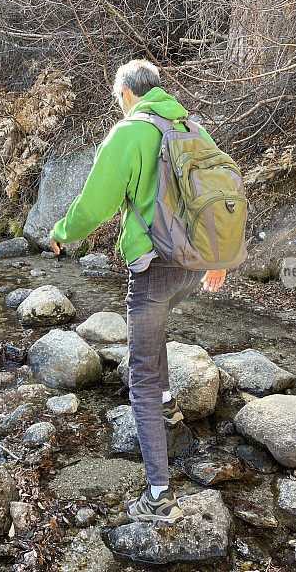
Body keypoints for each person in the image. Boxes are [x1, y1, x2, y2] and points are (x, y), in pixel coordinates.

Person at [50, 59, 226, 525]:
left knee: (142, 377)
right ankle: (169, 411)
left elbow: (97, 202)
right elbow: (218, 193)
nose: (117, 104)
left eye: (116, 98)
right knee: (156, 336)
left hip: (155, 268)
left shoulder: (130, 132)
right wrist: (219, 261)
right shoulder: (190, 125)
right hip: (193, 265)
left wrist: (64, 232)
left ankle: (160, 496)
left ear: (126, 92)